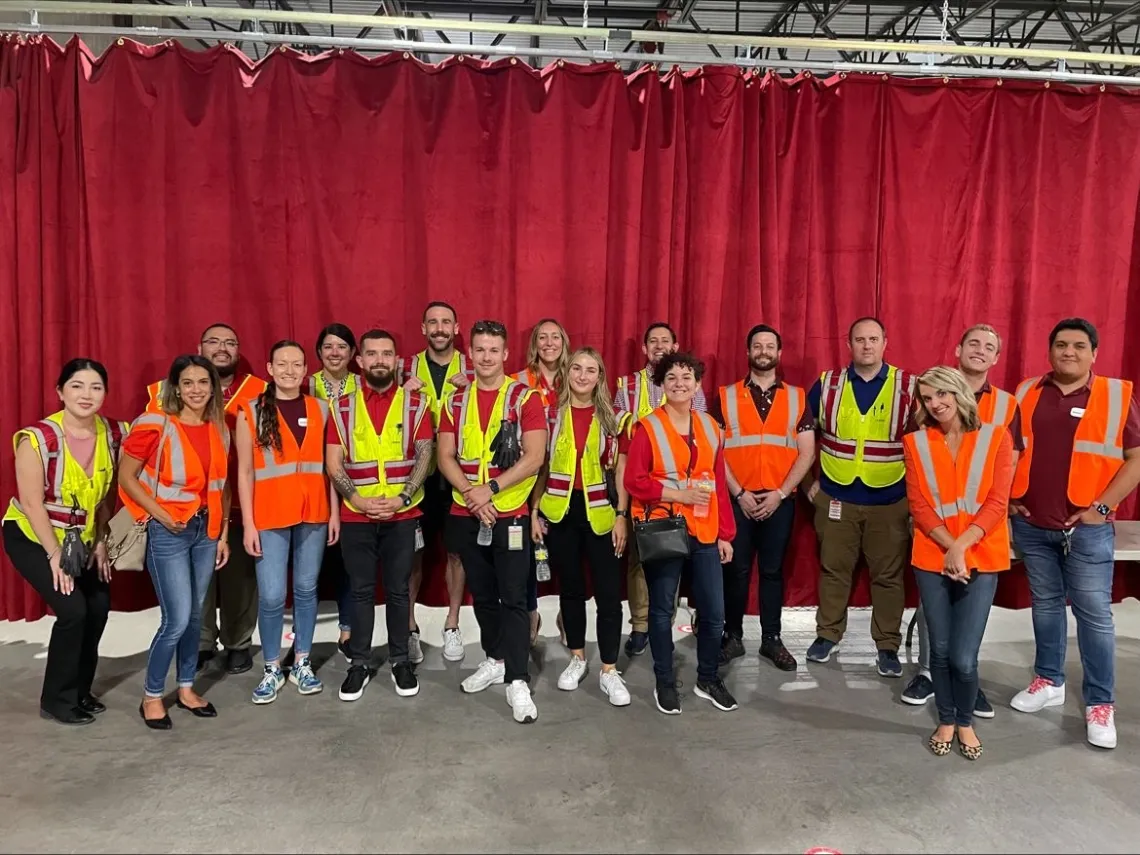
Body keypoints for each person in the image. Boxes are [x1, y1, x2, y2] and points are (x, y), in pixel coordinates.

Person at [1008, 318, 1140, 750]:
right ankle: (1048, 680)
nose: (1069, 352)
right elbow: (1008, 451)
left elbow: (1135, 459)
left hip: (1087, 530)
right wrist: (1010, 499)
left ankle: (1100, 703)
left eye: (1079, 346)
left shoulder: (1118, 395)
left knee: (1094, 616)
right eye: (1061, 345)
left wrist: (1101, 508)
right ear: (1049, 351)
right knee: (1045, 606)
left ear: (1094, 354)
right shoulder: (1028, 392)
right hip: (1033, 524)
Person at [903, 324, 1023, 716]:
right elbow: (919, 504)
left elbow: (996, 501)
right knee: (938, 648)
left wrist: (961, 546)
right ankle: (946, 716)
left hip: (979, 551)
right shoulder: (917, 440)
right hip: (932, 549)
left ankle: (965, 714)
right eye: (928, 397)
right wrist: (946, 545)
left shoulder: (997, 435)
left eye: (942, 394)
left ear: (958, 392)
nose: (936, 403)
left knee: (963, 656)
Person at [2, 360, 126, 725]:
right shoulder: (37, 439)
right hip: (33, 535)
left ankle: (79, 691)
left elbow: (107, 496)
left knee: (99, 607)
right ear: (60, 392)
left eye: (95, 387)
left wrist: (102, 539)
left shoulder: (115, 434)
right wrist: (54, 555)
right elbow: (31, 503)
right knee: (73, 611)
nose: (86, 395)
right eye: (76, 386)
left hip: (84, 537)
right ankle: (56, 699)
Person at [437, 319, 548, 724]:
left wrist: (492, 491)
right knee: (482, 595)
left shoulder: (525, 398)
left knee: (514, 597)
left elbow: (534, 457)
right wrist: (472, 494)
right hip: (467, 512)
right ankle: (495, 658)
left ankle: (517, 679)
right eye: (479, 350)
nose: (485, 357)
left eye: (493, 350)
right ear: (471, 354)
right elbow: (445, 456)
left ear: (505, 355)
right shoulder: (455, 401)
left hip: (510, 514)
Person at [120, 355, 232, 729]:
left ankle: (185, 688)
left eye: (204, 382)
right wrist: (160, 514)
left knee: (195, 617)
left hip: (206, 531)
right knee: (177, 619)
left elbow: (223, 486)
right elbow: (127, 476)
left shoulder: (220, 427)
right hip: (169, 531)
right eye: (188, 383)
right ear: (175, 387)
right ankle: (152, 695)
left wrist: (222, 533)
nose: (197, 389)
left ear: (213, 387)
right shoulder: (155, 423)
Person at [148, 323, 265, 675]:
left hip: (242, 499)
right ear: (200, 346)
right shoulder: (163, 391)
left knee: (240, 578)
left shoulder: (260, 389)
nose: (222, 348)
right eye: (214, 342)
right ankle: (199, 642)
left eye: (231, 342)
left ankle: (238, 642)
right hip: (185, 507)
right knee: (196, 581)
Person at [624, 351, 737, 715]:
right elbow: (634, 480)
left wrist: (725, 534)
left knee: (714, 611)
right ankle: (664, 681)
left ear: (697, 384)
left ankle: (707, 678)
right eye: (671, 377)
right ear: (661, 384)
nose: (679, 383)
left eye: (687, 377)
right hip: (664, 527)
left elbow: (718, 483)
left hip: (704, 529)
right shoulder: (647, 427)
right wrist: (678, 495)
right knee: (661, 611)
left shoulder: (710, 427)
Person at [327, 330, 435, 702]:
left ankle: (400, 661)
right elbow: (333, 462)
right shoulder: (341, 407)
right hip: (357, 515)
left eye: (386, 354)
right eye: (371, 354)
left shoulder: (416, 404)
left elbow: (425, 455)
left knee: (399, 591)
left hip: (402, 515)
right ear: (359, 361)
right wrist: (357, 498)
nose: (379, 360)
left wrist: (402, 497)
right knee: (359, 592)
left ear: (397, 360)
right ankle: (358, 663)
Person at [805, 317, 915, 678]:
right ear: (848, 344)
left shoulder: (910, 387)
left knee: (889, 576)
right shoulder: (826, 385)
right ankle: (827, 635)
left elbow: (927, 446)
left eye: (873, 339)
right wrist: (809, 483)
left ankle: (886, 645)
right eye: (859, 340)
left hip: (891, 500)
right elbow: (802, 438)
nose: (866, 346)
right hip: (836, 496)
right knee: (834, 571)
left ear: (886, 342)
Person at [237, 341, 338, 705]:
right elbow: (244, 472)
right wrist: (248, 523)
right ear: (269, 367)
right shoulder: (250, 412)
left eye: (297, 364)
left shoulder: (321, 409)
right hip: (269, 514)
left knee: (307, 590)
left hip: (313, 513)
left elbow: (330, 468)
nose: (290, 371)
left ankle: (302, 662)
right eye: (283, 364)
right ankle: (270, 667)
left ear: (306, 369)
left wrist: (335, 512)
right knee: (273, 595)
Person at [531, 347, 632, 706]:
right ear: (567, 372)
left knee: (608, 595)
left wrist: (622, 514)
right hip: (560, 513)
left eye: (591, 370)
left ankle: (608, 668)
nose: (583, 375)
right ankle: (576, 657)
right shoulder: (549, 415)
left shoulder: (615, 419)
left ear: (600, 377)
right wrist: (534, 511)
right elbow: (540, 466)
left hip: (602, 515)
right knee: (570, 590)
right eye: (577, 368)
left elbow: (621, 471)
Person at [717, 325, 815, 672]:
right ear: (747, 352)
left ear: (779, 353)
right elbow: (717, 453)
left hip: (779, 500)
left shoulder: (798, 397)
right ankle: (732, 637)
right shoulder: (725, 396)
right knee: (736, 571)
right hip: (737, 500)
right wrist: (739, 493)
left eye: (769, 346)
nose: (763, 351)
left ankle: (772, 639)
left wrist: (780, 493)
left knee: (773, 572)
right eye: (756, 345)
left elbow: (807, 453)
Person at [614, 322, 708, 657]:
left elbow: (702, 434)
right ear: (643, 348)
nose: (658, 346)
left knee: (678, 561)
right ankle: (640, 626)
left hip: (687, 494)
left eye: (665, 341)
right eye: (652, 341)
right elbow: (619, 426)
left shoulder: (690, 385)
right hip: (644, 490)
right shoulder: (625, 385)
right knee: (641, 561)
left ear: (676, 345)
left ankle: (664, 623)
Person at [401, 301, 474, 663]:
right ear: (423, 328)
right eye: (433, 322)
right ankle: (410, 627)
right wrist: (403, 390)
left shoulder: (473, 365)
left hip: (459, 473)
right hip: (418, 474)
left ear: (457, 327)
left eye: (447, 321)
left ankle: (453, 624)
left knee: (457, 551)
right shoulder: (405, 368)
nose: (440, 328)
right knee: (413, 551)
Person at [511, 317, 570, 646]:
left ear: (564, 342)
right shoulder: (519, 380)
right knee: (527, 550)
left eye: (555, 337)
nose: (549, 343)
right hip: (528, 472)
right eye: (542, 338)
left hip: (565, 474)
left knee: (564, 549)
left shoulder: (575, 376)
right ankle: (531, 611)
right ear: (534, 344)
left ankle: (565, 611)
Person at [304, 323, 359, 661]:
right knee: (308, 564)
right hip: (311, 480)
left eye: (342, 346)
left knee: (349, 561)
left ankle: (348, 628)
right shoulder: (303, 383)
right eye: (328, 347)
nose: (335, 352)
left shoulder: (363, 384)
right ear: (319, 352)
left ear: (353, 353)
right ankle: (301, 639)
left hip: (352, 480)